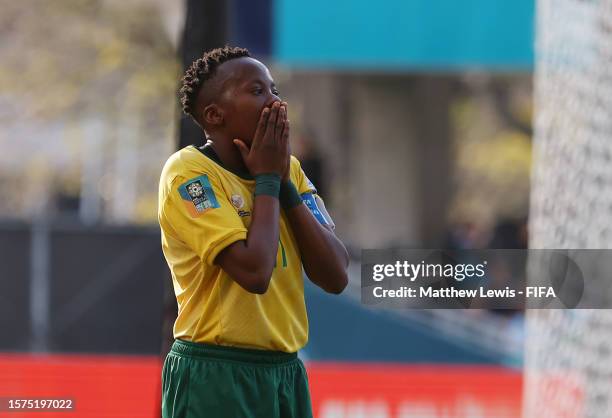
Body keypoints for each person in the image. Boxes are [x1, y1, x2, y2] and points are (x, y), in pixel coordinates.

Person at [157, 46, 349, 418]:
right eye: (257, 91)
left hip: (284, 372)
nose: (275, 102)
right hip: (216, 370)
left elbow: (336, 275)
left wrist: (283, 183)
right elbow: (254, 272)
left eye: (274, 90)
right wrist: (266, 180)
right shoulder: (189, 173)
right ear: (215, 115)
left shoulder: (288, 170)